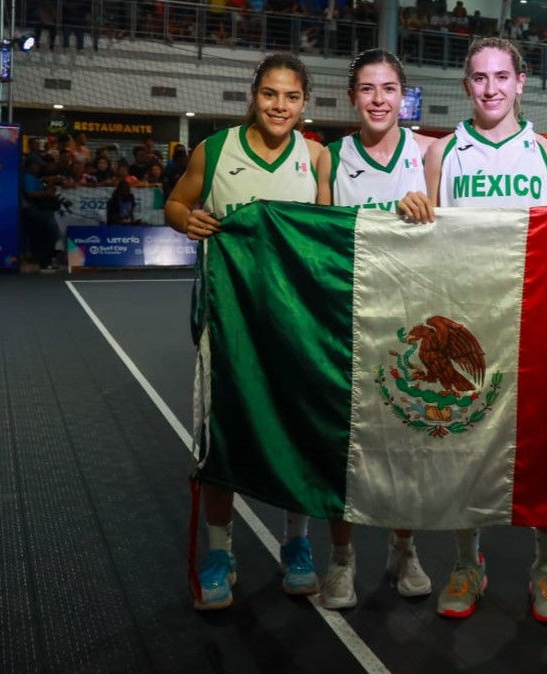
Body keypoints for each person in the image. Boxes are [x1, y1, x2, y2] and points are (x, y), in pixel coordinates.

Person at [407, 36, 547, 625]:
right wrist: (412, 209)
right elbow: (426, 243)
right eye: (478, 78)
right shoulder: (442, 154)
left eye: (500, 77)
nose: (489, 88)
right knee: (464, 451)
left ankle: (545, 565)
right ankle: (467, 561)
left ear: (520, 83)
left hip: (534, 321)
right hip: (470, 325)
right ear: (466, 86)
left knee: (545, 449)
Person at [165, 53, 324, 610]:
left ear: (304, 103)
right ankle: (219, 550)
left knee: (298, 432)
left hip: (296, 324)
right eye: (270, 94)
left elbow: (327, 245)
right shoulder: (215, 150)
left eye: (291, 97)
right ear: (253, 94)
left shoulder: (315, 157)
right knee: (222, 439)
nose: (280, 106)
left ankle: (297, 544)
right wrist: (188, 220)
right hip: (228, 320)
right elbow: (176, 204)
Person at [314, 49, 436, 610]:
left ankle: (402, 548)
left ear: (404, 96)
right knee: (345, 449)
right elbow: (315, 241)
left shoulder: (430, 155)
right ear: (352, 96)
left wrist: (428, 209)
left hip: (410, 324)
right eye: (367, 89)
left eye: (389, 88)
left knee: (408, 449)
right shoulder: (330, 159)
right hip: (350, 320)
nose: (379, 99)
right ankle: (342, 559)